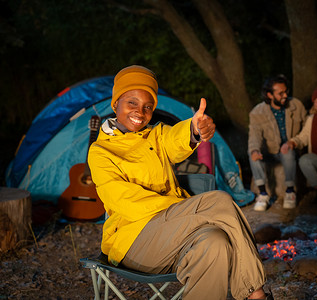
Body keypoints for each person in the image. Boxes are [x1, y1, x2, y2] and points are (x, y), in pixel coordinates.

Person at [88, 65, 271, 300]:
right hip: (133, 243)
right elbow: (123, 201)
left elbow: (176, 139)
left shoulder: (156, 135)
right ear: (115, 104)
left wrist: (194, 129)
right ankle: (256, 295)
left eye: (147, 107)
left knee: (214, 243)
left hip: (172, 237)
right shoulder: (101, 151)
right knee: (220, 200)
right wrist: (178, 209)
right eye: (131, 103)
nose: (140, 112)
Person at [248, 74, 307, 211]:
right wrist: (255, 150)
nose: (285, 95)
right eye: (280, 93)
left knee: (287, 152)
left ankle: (290, 192)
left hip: (291, 150)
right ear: (269, 95)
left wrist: (295, 143)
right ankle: (263, 194)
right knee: (252, 152)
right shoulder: (257, 112)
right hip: (270, 151)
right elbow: (254, 136)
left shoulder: (296, 105)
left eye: (286, 91)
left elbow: (306, 129)